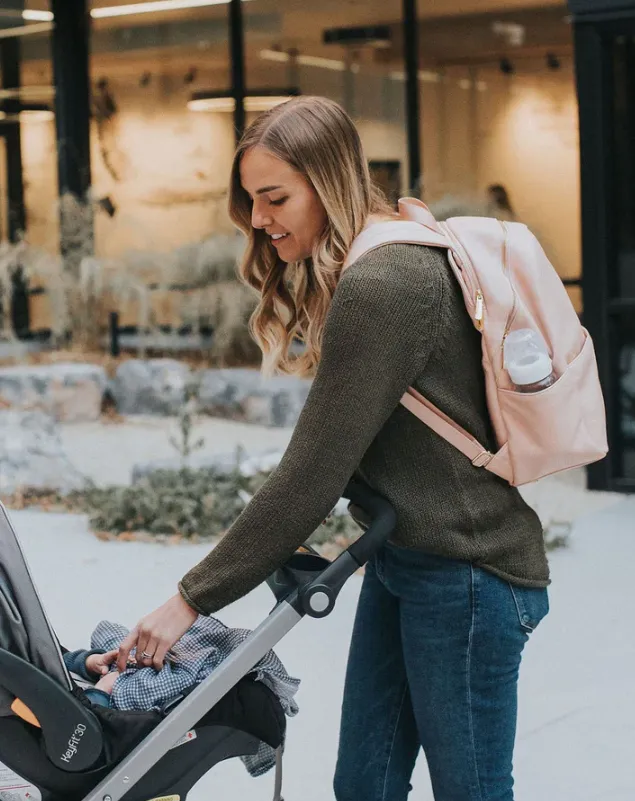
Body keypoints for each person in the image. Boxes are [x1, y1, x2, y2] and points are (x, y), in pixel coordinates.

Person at [117, 96, 550, 801]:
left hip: (467, 575)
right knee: (364, 785)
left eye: (274, 197)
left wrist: (189, 599)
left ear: (328, 181)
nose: (258, 219)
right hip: (408, 560)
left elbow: (312, 471)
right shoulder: (379, 259)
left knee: (470, 790)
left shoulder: (384, 282)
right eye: (251, 201)